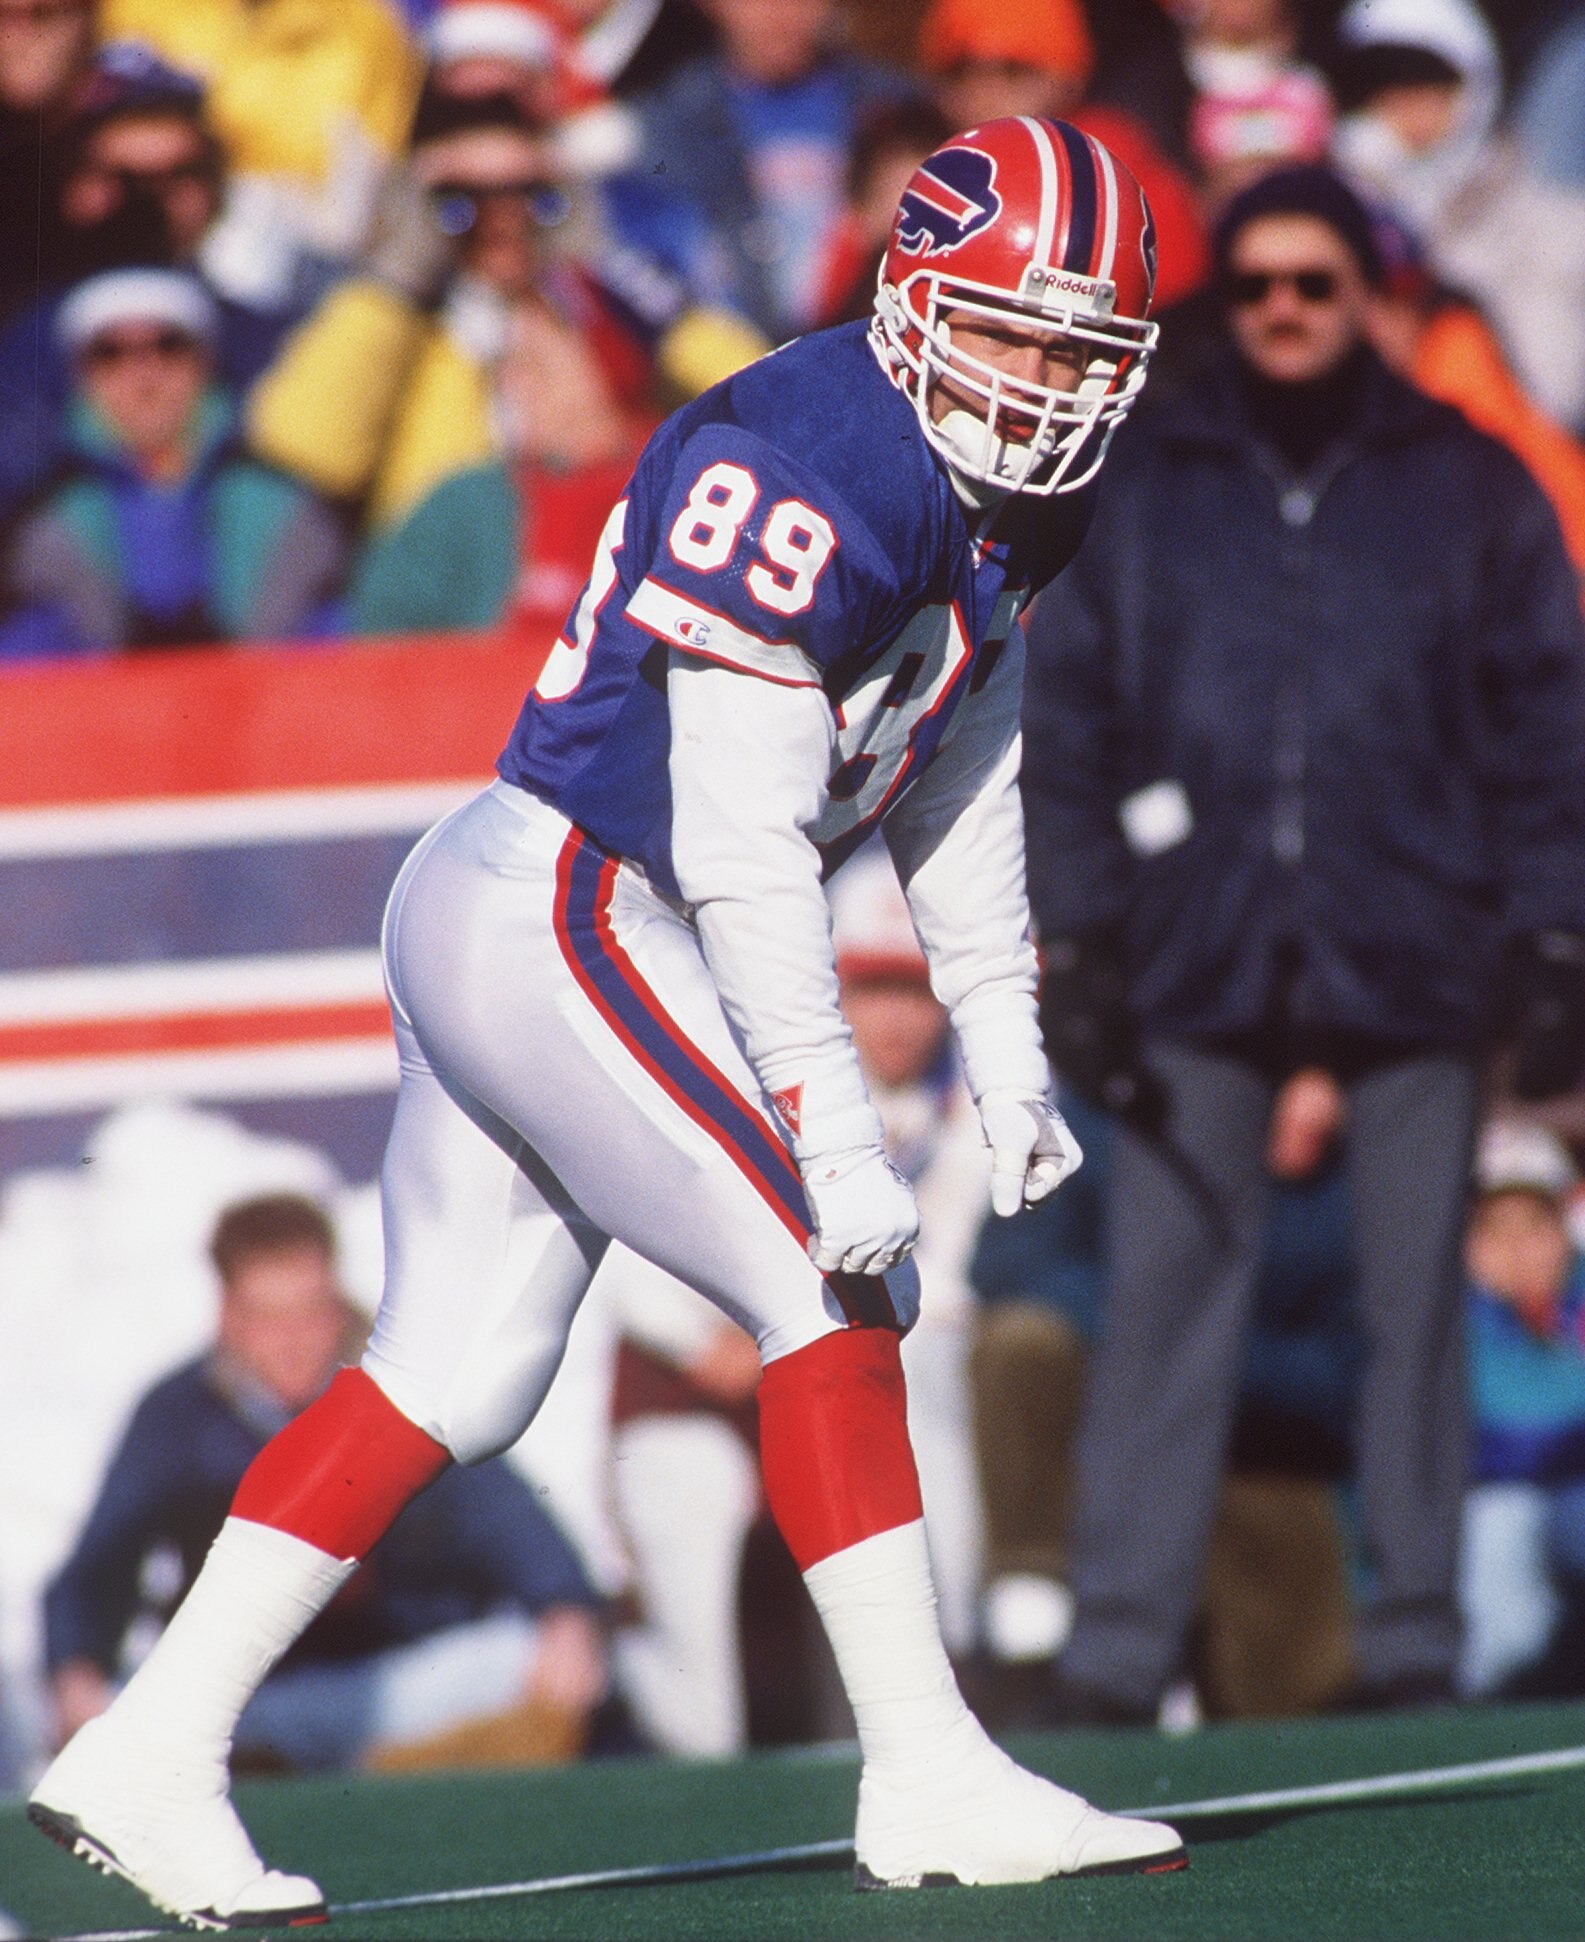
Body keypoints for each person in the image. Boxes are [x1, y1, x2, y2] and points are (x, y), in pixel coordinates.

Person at [29, 114, 1187, 1926]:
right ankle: (931, 1765)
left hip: (554, 901)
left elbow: (961, 743)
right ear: (917, 296)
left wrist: (1001, 1025)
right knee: (825, 1273)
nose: (1045, 384)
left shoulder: (1008, 487)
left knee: (458, 1372)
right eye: (1017, 332)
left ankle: (152, 1744)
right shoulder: (815, 457)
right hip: (575, 898)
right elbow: (738, 842)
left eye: (1081, 350)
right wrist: (828, 1114)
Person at [1022, 163, 1585, 1726]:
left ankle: (1416, 1638)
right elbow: (1065, 726)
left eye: (1313, 282)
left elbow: (1549, 726)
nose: (1281, 309)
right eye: (1255, 282)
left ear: (1368, 294)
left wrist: (1553, 932)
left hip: (1414, 947)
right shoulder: (1145, 484)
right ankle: (1117, 1648)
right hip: (1192, 956)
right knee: (1163, 1306)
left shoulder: (1466, 483)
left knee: (1415, 1309)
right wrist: (1078, 940)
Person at [42, 1192, 609, 1772]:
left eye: (309, 1311)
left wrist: (567, 1615)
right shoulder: (177, 1415)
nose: (291, 1339)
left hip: (397, 1682)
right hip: (254, 1695)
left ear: (337, 1306)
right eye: (267, 1316)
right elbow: (99, 1565)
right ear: (227, 1317)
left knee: (517, 1660)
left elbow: (512, 1523)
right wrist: (75, 1669)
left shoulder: (404, 1396)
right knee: (119, 1710)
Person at [0, 269, 346, 658]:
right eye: (111, 353)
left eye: (168, 346)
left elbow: (332, 638)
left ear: (206, 360)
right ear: (82, 375)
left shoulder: (280, 501)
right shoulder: (49, 516)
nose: (144, 375)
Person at [1459, 1120, 1585, 1700]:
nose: (1518, 1250)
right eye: (1494, 1229)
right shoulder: (1458, 1320)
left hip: (1570, 1505)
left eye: (1537, 1226)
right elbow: (1505, 1429)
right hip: (1495, 1507)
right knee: (1510, 1631)